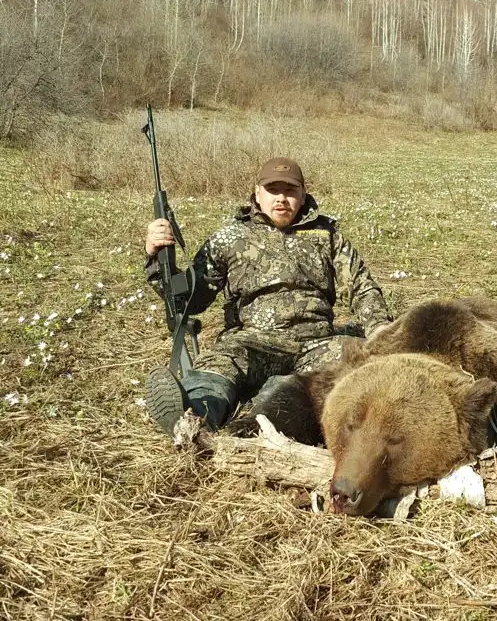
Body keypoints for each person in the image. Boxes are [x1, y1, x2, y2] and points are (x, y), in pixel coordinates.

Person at [143, 156, 391, 436]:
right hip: (250, 342)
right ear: (257, 193)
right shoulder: (231, 237)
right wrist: (156, 257)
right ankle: (194, 415)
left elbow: (362, 287)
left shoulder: (327, 235)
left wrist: (381, 329)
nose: (282, 198)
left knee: (358, 365)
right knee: (219, 366)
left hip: (316, 343)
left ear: (303, 194)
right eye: (273, 190)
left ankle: (264, 423)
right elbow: (191, 300)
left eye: (290, 190)